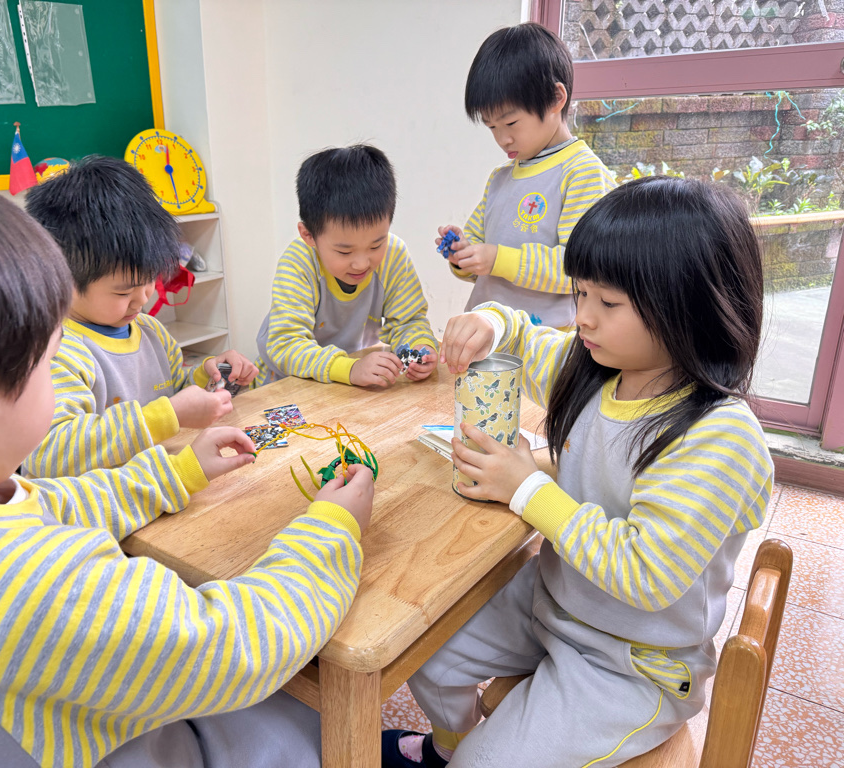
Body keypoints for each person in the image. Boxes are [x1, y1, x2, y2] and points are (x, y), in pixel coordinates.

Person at [0, 164, 375, 768]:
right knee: (296, 724)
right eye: (48, 361)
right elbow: (236, 647)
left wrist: (177, 472)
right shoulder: (33, 587)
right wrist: (330, 529)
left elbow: (49, 506)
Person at [384, 176, 773, 767]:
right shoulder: (596, 366)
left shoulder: (720, 436)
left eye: (608, 303)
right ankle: (448, 748)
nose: (583, 317)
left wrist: (527, 488)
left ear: (690, 305)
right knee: (424, 655)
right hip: (554, 604)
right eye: (580, 292)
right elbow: (522, 336)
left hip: (633, 664)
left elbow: (646, 573)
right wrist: (489, 321)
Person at [22, 155, 258, 478]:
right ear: (61, 280)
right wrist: (168, 415)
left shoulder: (150, 331)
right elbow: (50, 455)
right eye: (123, 292)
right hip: (95, 504)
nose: (144, 298)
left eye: (150, 281)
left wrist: (207, 377)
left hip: (158, 485)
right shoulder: (56, 353)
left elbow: (173, 393)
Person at [438, 22, 615, 327]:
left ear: (556, 98)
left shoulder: (582, 173)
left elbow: (578, 270)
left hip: (545, 341)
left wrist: (497, 259)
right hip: (486, 332)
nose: (502, 139)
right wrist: (462, 254)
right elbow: (479, 251)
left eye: (511, 123)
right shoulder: (499, 179)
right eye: (492, 127)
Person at [255, 144, 439, 387]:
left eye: (376, 245)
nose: (362, 263)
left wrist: (419, 348)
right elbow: (286, 345)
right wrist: (348, 369)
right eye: (344, 251)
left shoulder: (394, 254)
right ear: (309, 235)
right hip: (288, 383)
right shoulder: (299, 262)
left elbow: (408, 321)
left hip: (350, 381)